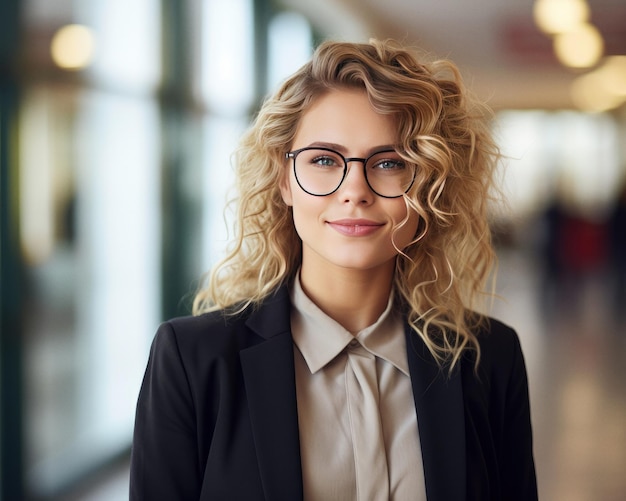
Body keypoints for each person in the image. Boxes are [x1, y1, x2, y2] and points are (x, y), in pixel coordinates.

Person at [130, 39, 537, 500]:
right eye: (324, 160)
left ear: (430, 187)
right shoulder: (191, 361)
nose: (355, 191)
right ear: (284, 180)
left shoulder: (489, 358)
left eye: (390, 162)